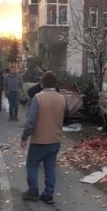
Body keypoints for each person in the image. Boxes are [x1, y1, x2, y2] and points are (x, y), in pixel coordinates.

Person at [20, 71, 68, 204]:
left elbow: (30, 121)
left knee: (32, 165)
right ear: (55, 84)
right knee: (50, 168)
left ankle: (33, 192)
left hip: (39, 141)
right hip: (55, 140)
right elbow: (66, 116)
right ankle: (48, 194)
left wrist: (24, 137)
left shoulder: (38, 98)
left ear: (42, 84)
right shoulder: (62, 98)